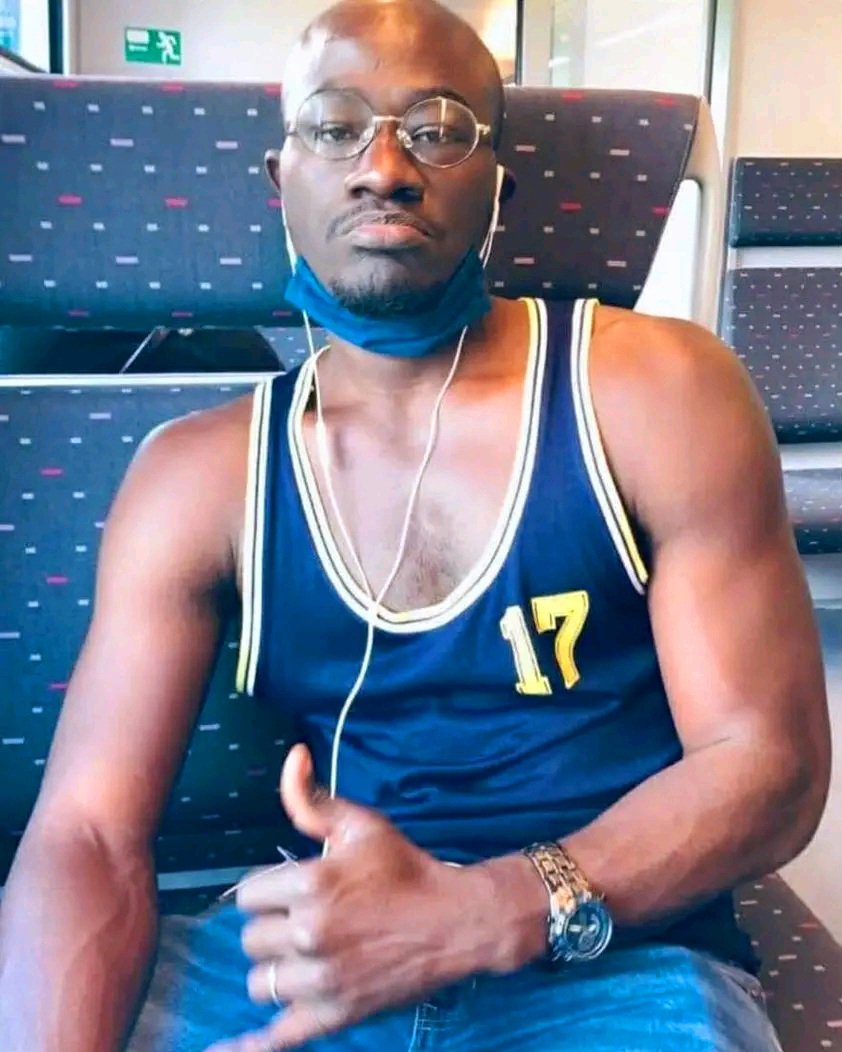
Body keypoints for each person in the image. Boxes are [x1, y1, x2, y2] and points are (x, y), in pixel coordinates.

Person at [0, 1, 831, 1050]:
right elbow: (85, 830)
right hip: (315, 945)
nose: (383, 168)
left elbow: (767, 762)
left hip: (613, 951)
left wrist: (484, 910)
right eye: (335, 127)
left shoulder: (655, 391)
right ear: (282, 179)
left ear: (497, 188)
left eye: (437, 129)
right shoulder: (195, 476)